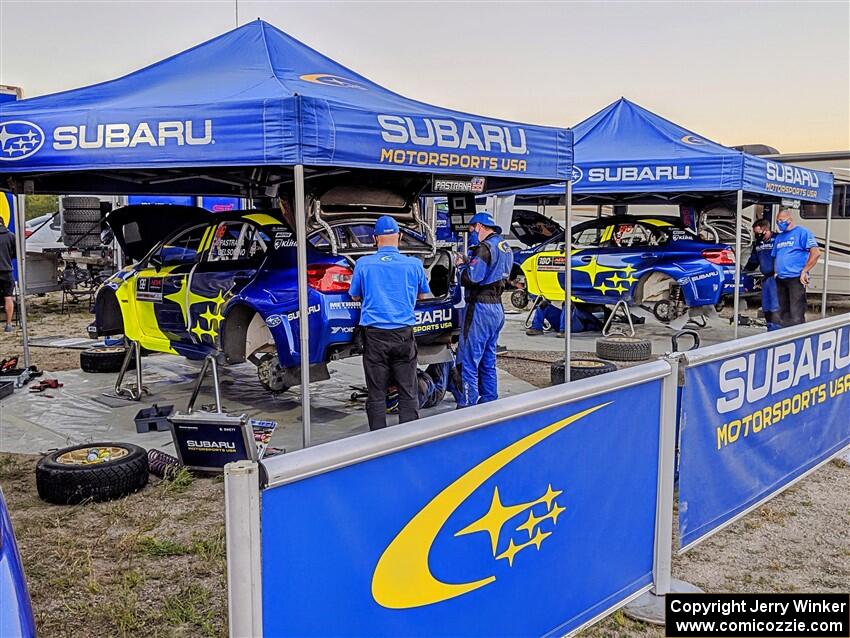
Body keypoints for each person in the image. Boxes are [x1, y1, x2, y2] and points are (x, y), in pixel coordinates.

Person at [349, 216, 430, 430]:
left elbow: (354, 296)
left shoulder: (363, 264)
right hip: (403, 335)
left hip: (375, 336)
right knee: (407, 390)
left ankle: (378, 440)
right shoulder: (414, 264)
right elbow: (423, 296)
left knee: (376, 393)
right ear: (400, 236)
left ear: (375, 238)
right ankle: (408, 439)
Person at [455, 212, 513, 408]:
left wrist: (461, 267)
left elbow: (473, 278)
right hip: (497, 308)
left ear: (479, 226)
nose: (471, 234)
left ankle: (467, 406)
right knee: (488, 359)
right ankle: (490, 401)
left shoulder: (483, 248)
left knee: (469, 360)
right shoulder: (505, 246)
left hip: (480, 308)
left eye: (471, 229)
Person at [771, 210, 821, 327]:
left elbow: (816, 253)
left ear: (789, 220)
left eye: (781, 221)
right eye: (777, 221)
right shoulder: (779, 237)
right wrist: (775, 272)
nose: (779, 223)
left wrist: (805, 271)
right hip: (781, 279)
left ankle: (798, 340)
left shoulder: (802, 232)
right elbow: (775, 256)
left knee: (796, 313)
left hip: (795, 278)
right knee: (782, 312)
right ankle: (785, 338)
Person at [743, 219, 780, 331]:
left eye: (758, 232)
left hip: (777, 277)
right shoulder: (758, 243)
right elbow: (753, 261)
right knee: (766, 307)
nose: (756, 235)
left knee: (775, 306)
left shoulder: (778, 239)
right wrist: (744, 271)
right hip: (766, 278)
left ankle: (777, 330)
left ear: (765, 230)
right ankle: (770, 328)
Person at [0, 218, 16, 332]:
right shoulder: (11, 236)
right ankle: (9, 324)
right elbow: (15, 253)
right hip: (7, 270)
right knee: (8, 297)